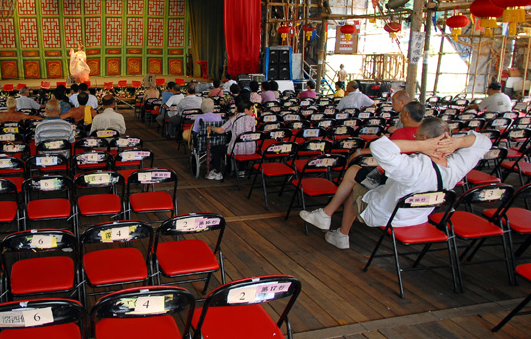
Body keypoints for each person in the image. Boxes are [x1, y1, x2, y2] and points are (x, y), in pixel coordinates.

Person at [300, 117, 491, 249]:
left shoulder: (412, 167)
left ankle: (341, 234)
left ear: (423, 139)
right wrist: (458, 143)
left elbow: (379, 147)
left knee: (356, 187)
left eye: (417, 138)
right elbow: (484, 143)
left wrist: (420, 146)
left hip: (387, 215)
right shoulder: (458, 165)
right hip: (419, 215)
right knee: (361, 175)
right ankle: (327, 217)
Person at [205, 99, 257, 181]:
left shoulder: (234, 119)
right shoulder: (253, 120)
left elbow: (220, 130)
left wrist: (211, 127)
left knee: (216, 148)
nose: (252, 111)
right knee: (244, 143)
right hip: (251, 150)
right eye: (251, 109)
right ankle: (241, 170)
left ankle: (217, 171)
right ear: (246, 110)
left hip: (235, 151)